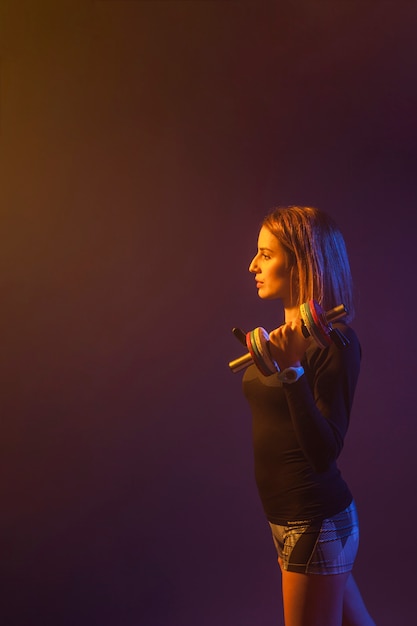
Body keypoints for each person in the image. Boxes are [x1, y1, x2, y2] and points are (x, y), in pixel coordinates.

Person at [242, 206, 375, 626]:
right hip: (287, 520)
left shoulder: (336, 343)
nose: (253, 266)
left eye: (266, 255)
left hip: (314, 522)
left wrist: (293, 371)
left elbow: (323, 452)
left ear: (300, 261)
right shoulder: (283, 343)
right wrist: (286, 364)